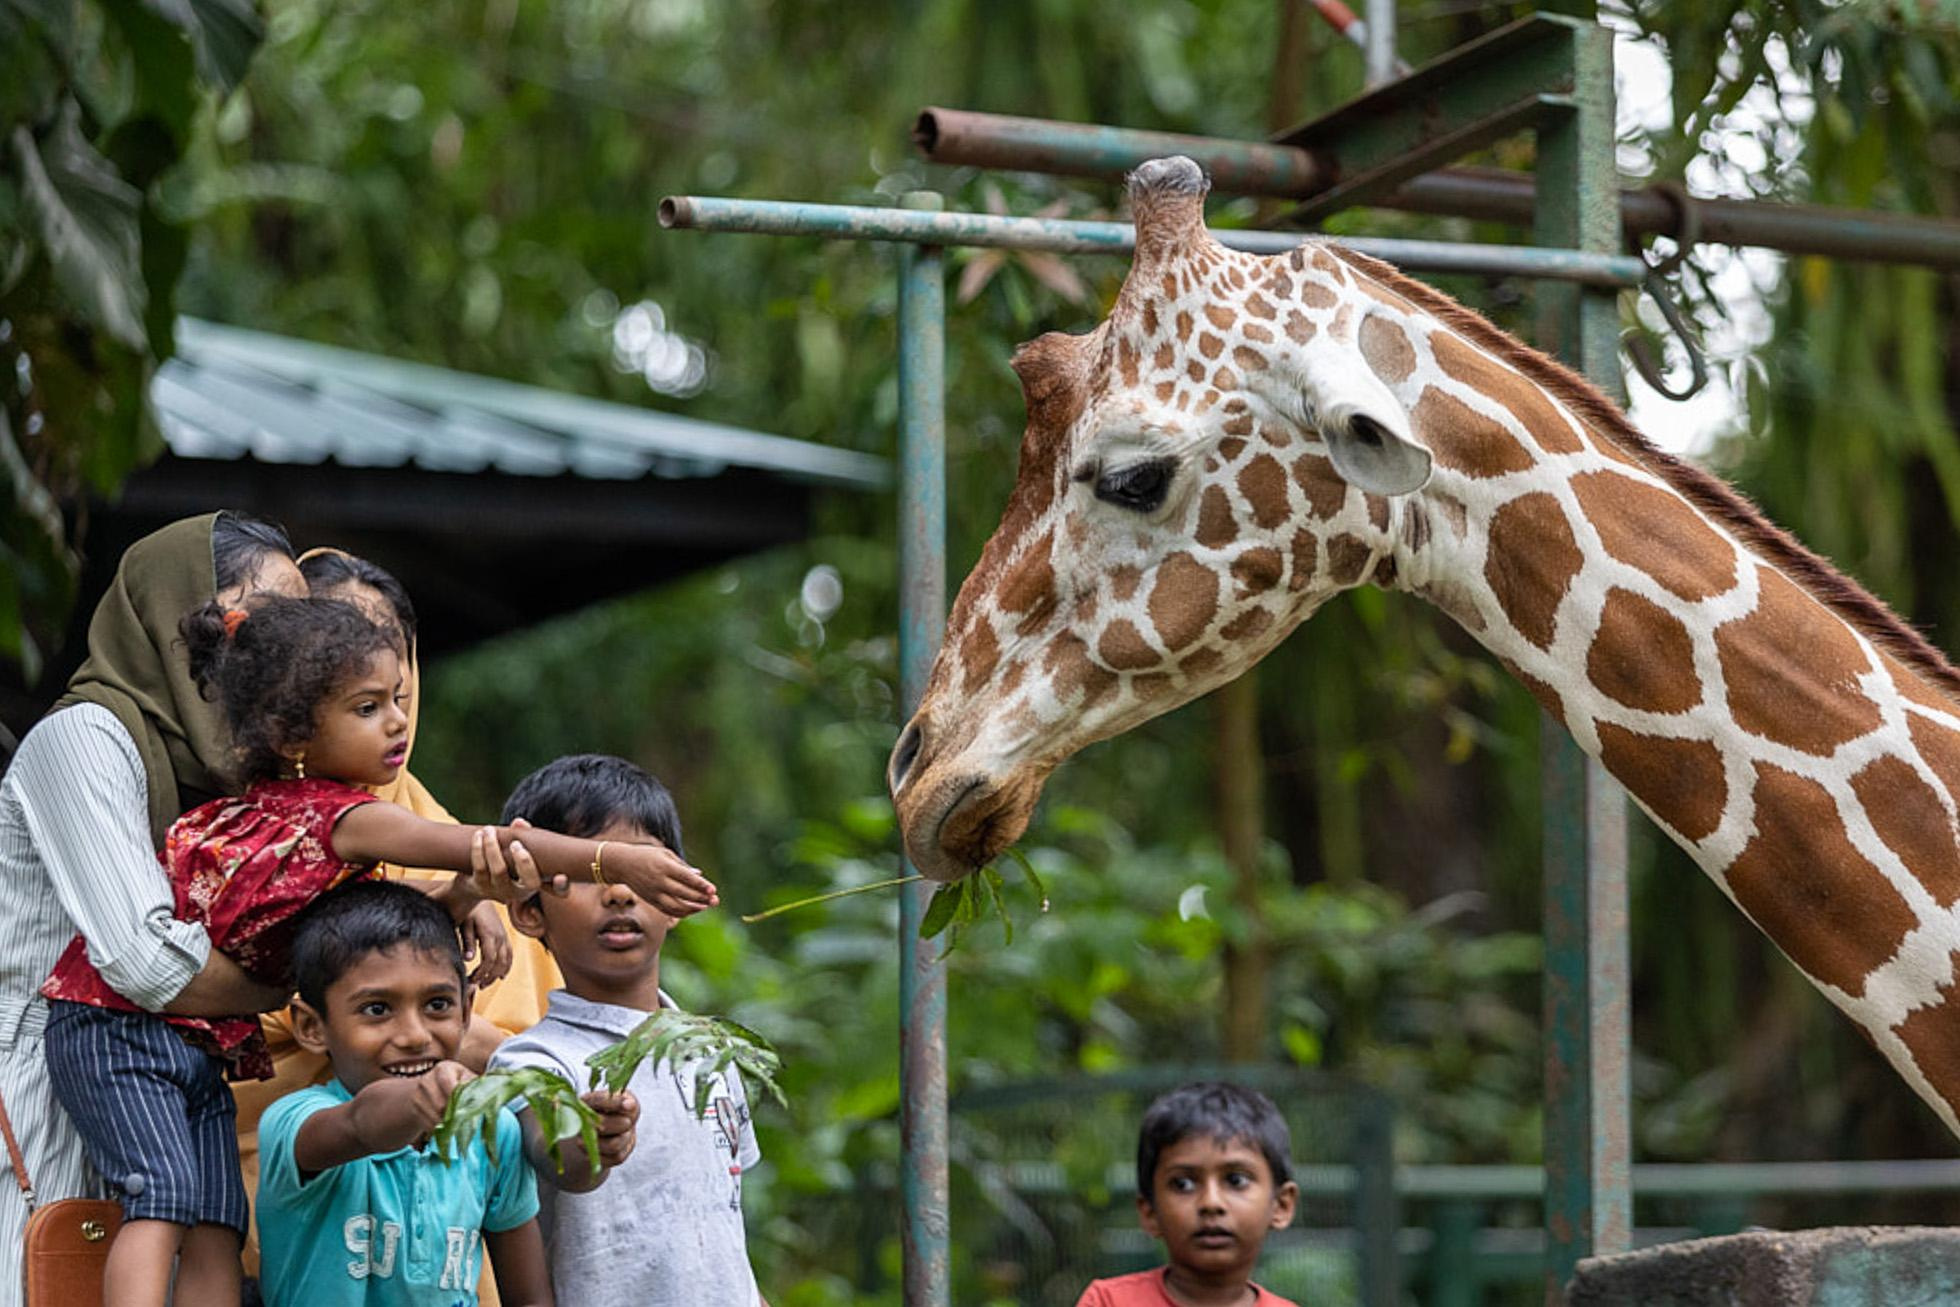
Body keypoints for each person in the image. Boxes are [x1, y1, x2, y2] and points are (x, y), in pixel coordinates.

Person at [40, 597, 719, 1307]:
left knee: (214, 1218)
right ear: (293, 735)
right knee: (165, 1199)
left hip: (184, 1032)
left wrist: (464, 897)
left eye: (398, 698)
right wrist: (613, 860)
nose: (398, 721)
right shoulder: (346, 819)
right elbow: (476, 843)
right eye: (367, 708)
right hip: (115, 1021)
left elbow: (360, 935)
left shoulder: (262, 815)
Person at [234, 548, 568, 1305]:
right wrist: (499, 1060)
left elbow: (532, 1063)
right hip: (275, 1230)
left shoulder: (461, 852)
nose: (388, 710)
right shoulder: (241, 842)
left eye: (396, 683)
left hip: (450, 1236)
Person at [0, 512, 306, 1307]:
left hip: (160, 1091)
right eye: (269, 621)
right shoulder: (83, 740)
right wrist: (291, 981)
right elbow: (145, 958)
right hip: (37, 1104)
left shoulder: (238, 776)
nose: (290, 652)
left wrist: (460, 894)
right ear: (180, 615)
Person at [487, 755, 768, 1307]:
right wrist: (588, 1139)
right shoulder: (531, 1061)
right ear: (528, 912)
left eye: (639, 869)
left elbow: (724, 1230)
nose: (618, 892)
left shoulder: (710, 1053)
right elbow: (560, 1154)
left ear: (678, 896)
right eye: (586, 873)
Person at [256, 879, 549, 1306]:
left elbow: (530, 1298)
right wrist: (419, 1098)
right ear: (311, 1026)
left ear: (467, 1009)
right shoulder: (294, 1125)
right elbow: (360, 1124)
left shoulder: (494, 1131)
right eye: (376, 1009)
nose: (414, 1036)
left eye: (437, 1005)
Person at [1075, 1082, 1301, 1307]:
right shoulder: (1108, 1302)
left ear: (1281, 1205)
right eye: (1183, 1184)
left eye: (1236, 1180)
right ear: (1150, 1212)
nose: (1211, 1202)